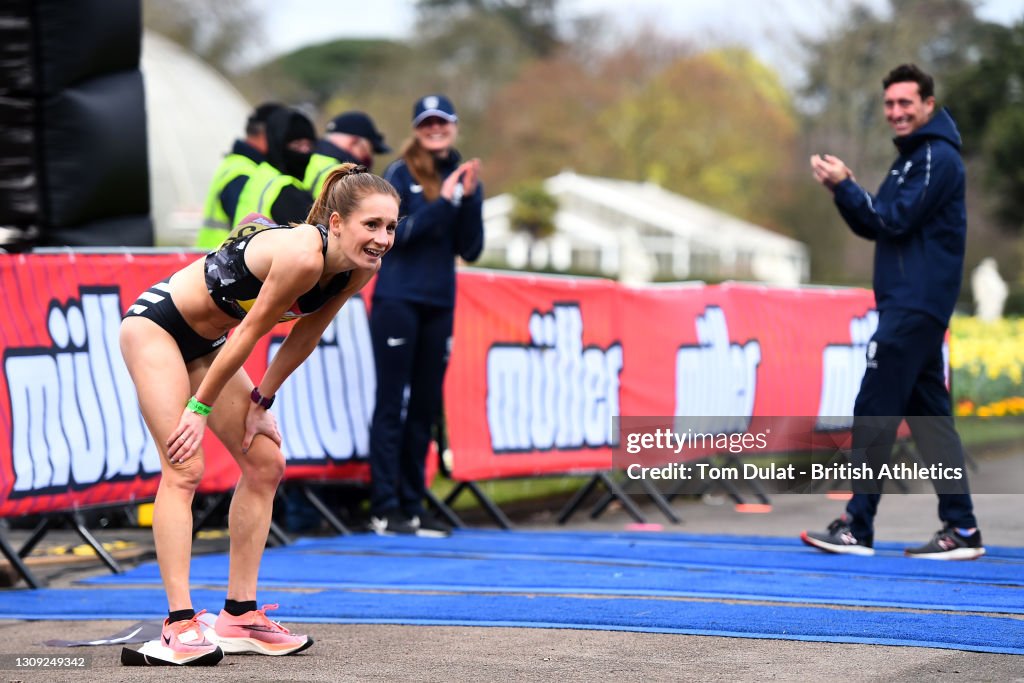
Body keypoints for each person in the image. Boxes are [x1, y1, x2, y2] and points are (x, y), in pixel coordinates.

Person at [119, 164, 399, 665]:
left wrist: (260, 403)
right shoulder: (303, 257)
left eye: (391, 228)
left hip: (209, 344)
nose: (381, 238)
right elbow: (249, 334)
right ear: (336, 223)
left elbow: (305, 334)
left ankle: (239, 615)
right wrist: (199, 408)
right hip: (157, 328)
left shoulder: (359, 268)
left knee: (266, 463)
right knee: (184, 467)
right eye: (371, 225)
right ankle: (179, 624)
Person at [801, 64, 984, 560]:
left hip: (913, 306)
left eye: (906, 103)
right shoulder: (914, 160)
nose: (897, 112)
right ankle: (962, 530)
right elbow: (878, 224)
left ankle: (857, 526)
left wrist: (846, 186)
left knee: (873, 408)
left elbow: (889, 218)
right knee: (930, 419)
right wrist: (845, 190)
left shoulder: (934, 158)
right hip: (913, 306)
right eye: (890, 104)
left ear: (928, 104)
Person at [368, 94, 484, 537]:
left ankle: (413, 505)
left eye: (443, 122)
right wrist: (445, 203)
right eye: (427, 123)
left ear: (454, 126)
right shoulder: (398, 174)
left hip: (440, 304)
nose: (436, 129)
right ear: (417, 128)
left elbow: (470, 248)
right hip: (398, 301)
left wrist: (467, 200)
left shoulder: (464, 179)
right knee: (391, 404)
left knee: (424, 408)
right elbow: (401, 234)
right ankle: (384, 506)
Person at [195, 102, 283, 249]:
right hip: (223, 264)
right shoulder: (246, 174)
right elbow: (248, 232)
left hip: (215, 261)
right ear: (266, 134)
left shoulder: (235, 164)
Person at [231, 106, 316, 228]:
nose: (304, 152)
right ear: (278, 144)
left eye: (309, 145)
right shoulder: (285, 189)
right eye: (297, 145)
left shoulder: (262, 173)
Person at [304, 111, 391, 197]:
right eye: (370, 150)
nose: (370, 157)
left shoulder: (309, 159)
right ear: (354, 142)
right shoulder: (342, 175)